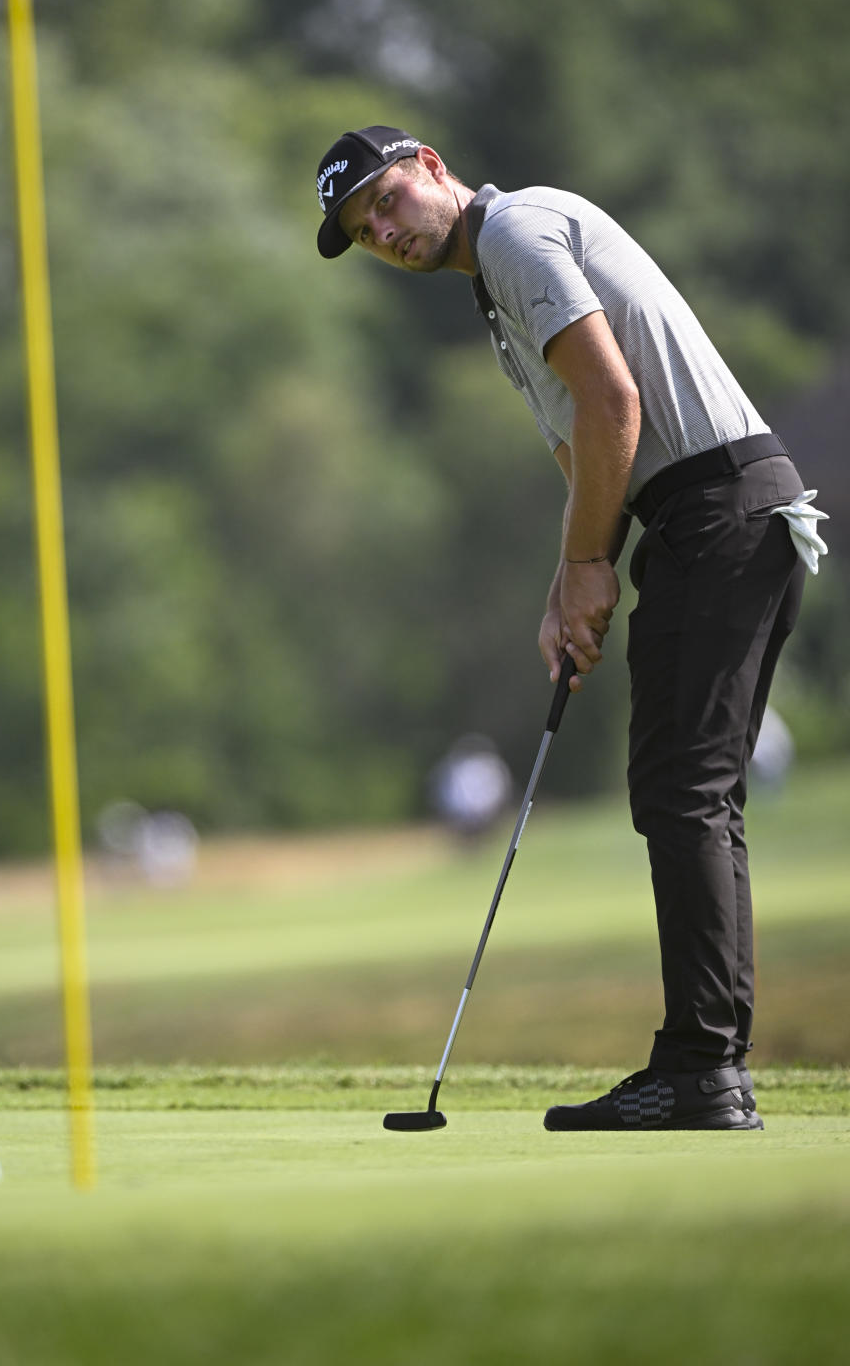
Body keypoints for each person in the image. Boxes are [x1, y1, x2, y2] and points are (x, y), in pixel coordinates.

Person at [314, 125, 827, 1132]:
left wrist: (594, 565)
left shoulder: (515, 232)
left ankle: (702, 1070)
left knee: (683, 792)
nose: (382, 229)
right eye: (361, 229)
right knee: (686, 792)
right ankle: (708, 1064)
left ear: (427, 167)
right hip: (706, 518)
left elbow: (612, 400)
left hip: (719, 509)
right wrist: (568, 580)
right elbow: (584, 452)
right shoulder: (497, 295)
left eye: (383, 199)